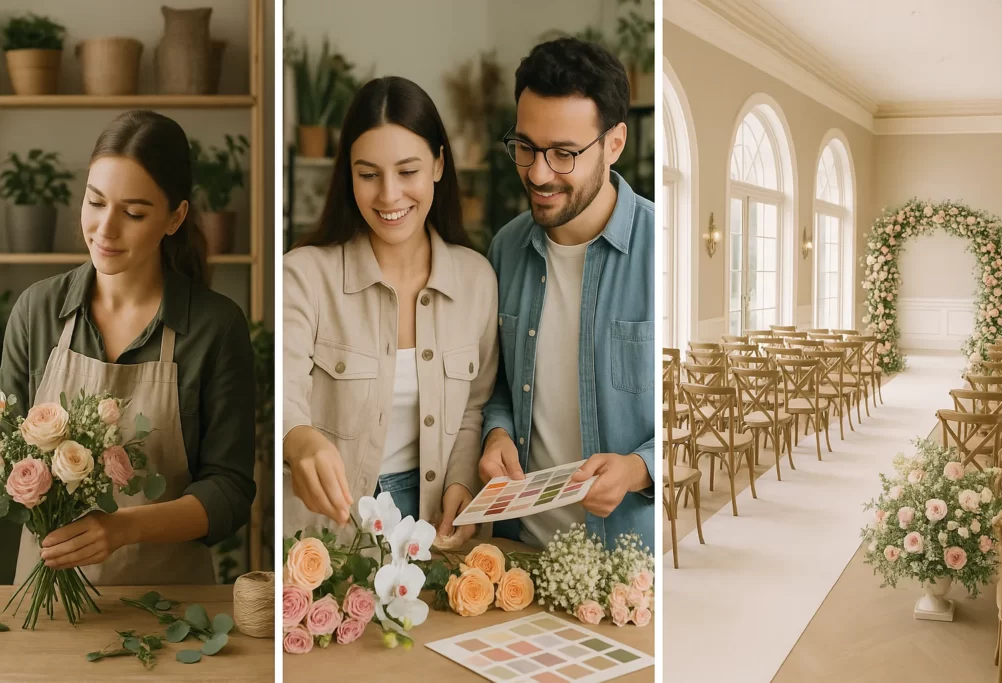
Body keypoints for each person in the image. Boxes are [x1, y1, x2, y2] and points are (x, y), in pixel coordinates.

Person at [0, 110, 256, 585]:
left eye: (133, 213)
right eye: (95, 201)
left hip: (171, 608)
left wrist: (123, 528)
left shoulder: (216, 328)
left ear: (175, 218)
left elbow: (230, 490)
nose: (105, 229)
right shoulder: (37, 312)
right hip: (46, 601)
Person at [282, 76, 498, 547]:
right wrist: (298, 439)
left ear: (438, 164)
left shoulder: (477, 280)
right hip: (326, 532)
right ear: (348, 175)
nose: (388, 195)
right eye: (368, 175)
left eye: (407, 171)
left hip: (433, 524)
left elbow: (474, 407)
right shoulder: (303, 275)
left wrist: (462, 481)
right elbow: (284, 391)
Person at [480, 38, 655, 551]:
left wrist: (639, 468)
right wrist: (496, 433)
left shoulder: (662, 249)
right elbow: (496, 384)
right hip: (518, 554)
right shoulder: (505, 249)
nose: (538, 173)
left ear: (614, 143)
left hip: (624, 568)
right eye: (526, 147)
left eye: (563, 154)